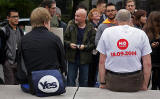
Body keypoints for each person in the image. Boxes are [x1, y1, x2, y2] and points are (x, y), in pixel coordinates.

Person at [97, 9, 152, 92]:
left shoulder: (107, 32)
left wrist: (102, 83)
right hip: (135, 82)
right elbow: (147, 63)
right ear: (130, 20)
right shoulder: (141, 34)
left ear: (116, 20)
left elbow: (102, 61)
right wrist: (145, 85)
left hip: (112, 82)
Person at [17, 7, 67, 84]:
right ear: (45, 22)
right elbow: (63, 63)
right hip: (53, 83)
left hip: (32, 84)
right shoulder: (55, 38)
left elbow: (20, 65)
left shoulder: (23, 40)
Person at [64, 6, 96, 87]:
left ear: (84, 17)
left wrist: (84, 47)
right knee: (70, 80)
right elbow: (64, 39)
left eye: (78, 16)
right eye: (75, 15)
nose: (75, 18)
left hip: (85, 59)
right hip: (72, 58)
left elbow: (94, 44)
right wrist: (69, 44)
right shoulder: (71, 25)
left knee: (84, 81)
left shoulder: (90, 27)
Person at [0, 8, 24, 85]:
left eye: (17, 16)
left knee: (18, 85)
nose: (16, 18)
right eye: (14, 16)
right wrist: (4, 61)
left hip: (18, 63)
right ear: (8, 18)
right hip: (8, 63)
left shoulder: (20, 31)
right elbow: (1, 48)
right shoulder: (4, 31)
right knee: (10, 85)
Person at [143, 11, 160, 90]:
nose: (157, 23)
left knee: (156, 84)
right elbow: (142, 47)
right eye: (156, 21)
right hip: (148, 61)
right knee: (146, 84)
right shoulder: (145, 32)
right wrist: (150, 46)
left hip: (158, 61)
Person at [88, 8, 101, 87]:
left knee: (96, 68)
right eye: (95, 13)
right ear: (91, 16)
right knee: (91, 69)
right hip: (91, 50)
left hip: (97, 50)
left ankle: (94, 82)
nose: (97, 14)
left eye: (98, 13)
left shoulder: (99, 25)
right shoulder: (89, 25)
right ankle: (90, 84)